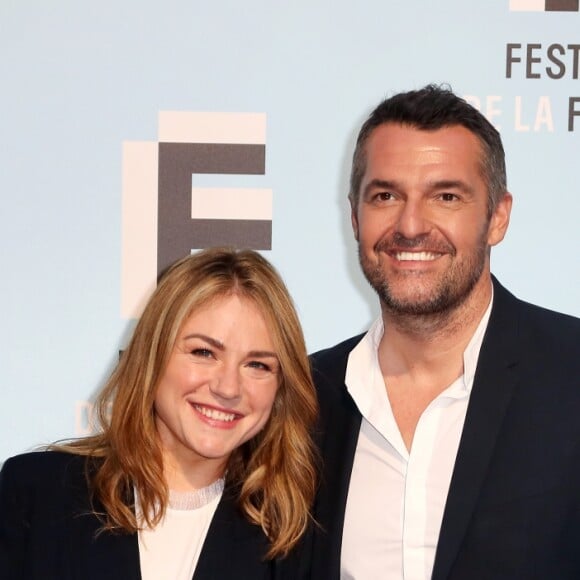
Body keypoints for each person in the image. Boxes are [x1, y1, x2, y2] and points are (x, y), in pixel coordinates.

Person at [308, 85, 580, 579]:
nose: (411, 225)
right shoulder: (302, 397)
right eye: (386, 195)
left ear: (497, 217)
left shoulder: (571, 372)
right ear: (354, 216)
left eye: (446, 196)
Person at [0, 247, 318, 580]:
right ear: (153, 355)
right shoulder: (38, 495)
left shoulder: (292, 537)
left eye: (257, 365)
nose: (228, 388)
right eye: (204, 352)